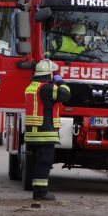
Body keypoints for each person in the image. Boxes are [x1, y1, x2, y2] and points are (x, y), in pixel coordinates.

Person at [24, 59, 71, 200]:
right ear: (49, 74)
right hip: (45, 133)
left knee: (38, 163)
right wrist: (61, 81)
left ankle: (38, 191)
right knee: (44, 163)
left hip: (33, 134)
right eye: (52, 74)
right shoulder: (46, 88)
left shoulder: (31, 87)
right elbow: (66, 94)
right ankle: (40, 193)